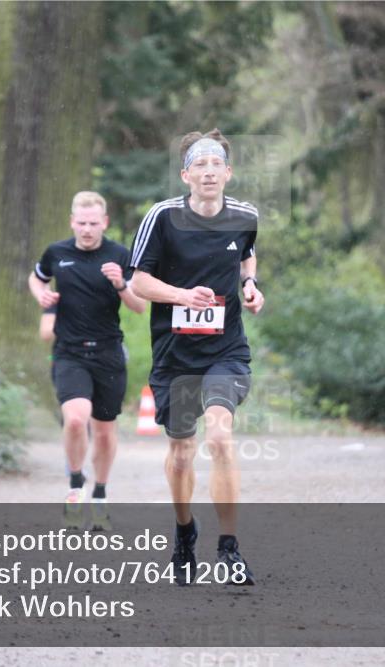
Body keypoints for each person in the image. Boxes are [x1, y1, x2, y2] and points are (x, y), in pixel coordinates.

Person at [129, 129, 264, 585]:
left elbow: (247, 257)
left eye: (216, 165)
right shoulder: (162, 217)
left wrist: (250, 286)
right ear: (187, 174)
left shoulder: (245, 215)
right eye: (199, 166)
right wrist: (185, 295)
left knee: (221, 439)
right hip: (174, 353)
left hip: (226, 350)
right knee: (182, 453)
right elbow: (138, 283)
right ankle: (185, 531)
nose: (208, 172)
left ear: (228, 173)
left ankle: (229, 547)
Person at [29, 191, 146, 530]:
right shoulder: (57, 253)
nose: (87, 229)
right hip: (70, 352)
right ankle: (75, 485)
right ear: (72, 222)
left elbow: (139, 305)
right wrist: (42, 295)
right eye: (81, 223)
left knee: (106, 432)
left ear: (104, 223)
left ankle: (100, 494)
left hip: (108, 352)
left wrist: (121, 284)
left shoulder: (120, 255)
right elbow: (36, 277)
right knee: (77, 419)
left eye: (94, 223)